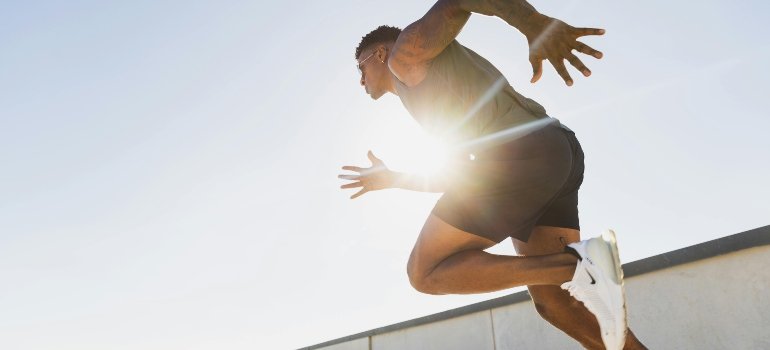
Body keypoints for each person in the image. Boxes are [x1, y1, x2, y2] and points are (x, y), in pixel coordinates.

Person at [338, 1, 647, 349]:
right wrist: (395, 179)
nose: (360, 80)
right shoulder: (423, 95)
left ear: (380, 54)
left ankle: (579, 265)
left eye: (361, 67)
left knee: (424, 272)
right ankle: (583, 268)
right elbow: (461, 179)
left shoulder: (404, 56)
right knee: (555, 303)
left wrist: (534, 24)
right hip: (553, 153)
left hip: (521, 154)